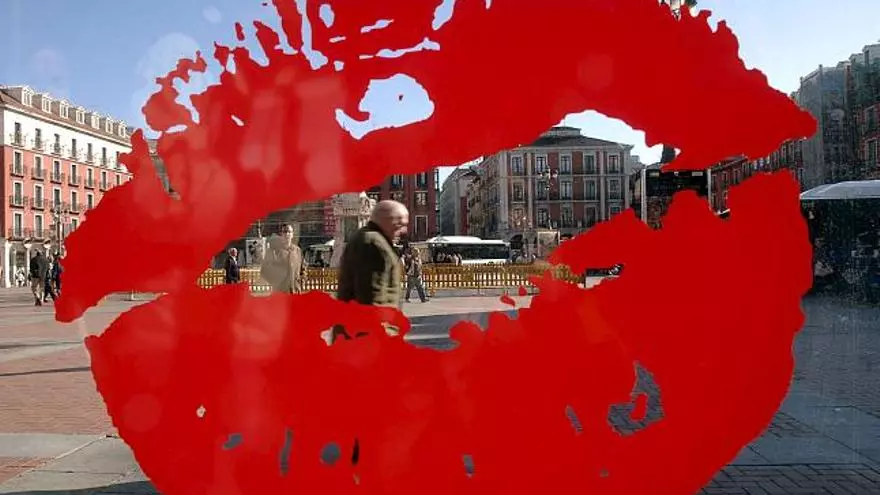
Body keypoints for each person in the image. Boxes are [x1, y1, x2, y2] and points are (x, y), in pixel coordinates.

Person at [334, 200, 409, 341]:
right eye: (400, 223)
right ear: (386, 220)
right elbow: (371, 300)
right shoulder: (374, 244)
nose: (404, 230)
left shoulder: (365, 237)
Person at [260, 224, 306, 294]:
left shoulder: (297, 251)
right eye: (285, 231)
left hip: (295, 291)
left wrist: (301, 281)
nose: (287, 234)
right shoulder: (273, 250)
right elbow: (264, 271)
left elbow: (303, 268)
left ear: (292, 234)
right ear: (281, 234)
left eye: (289, 232)